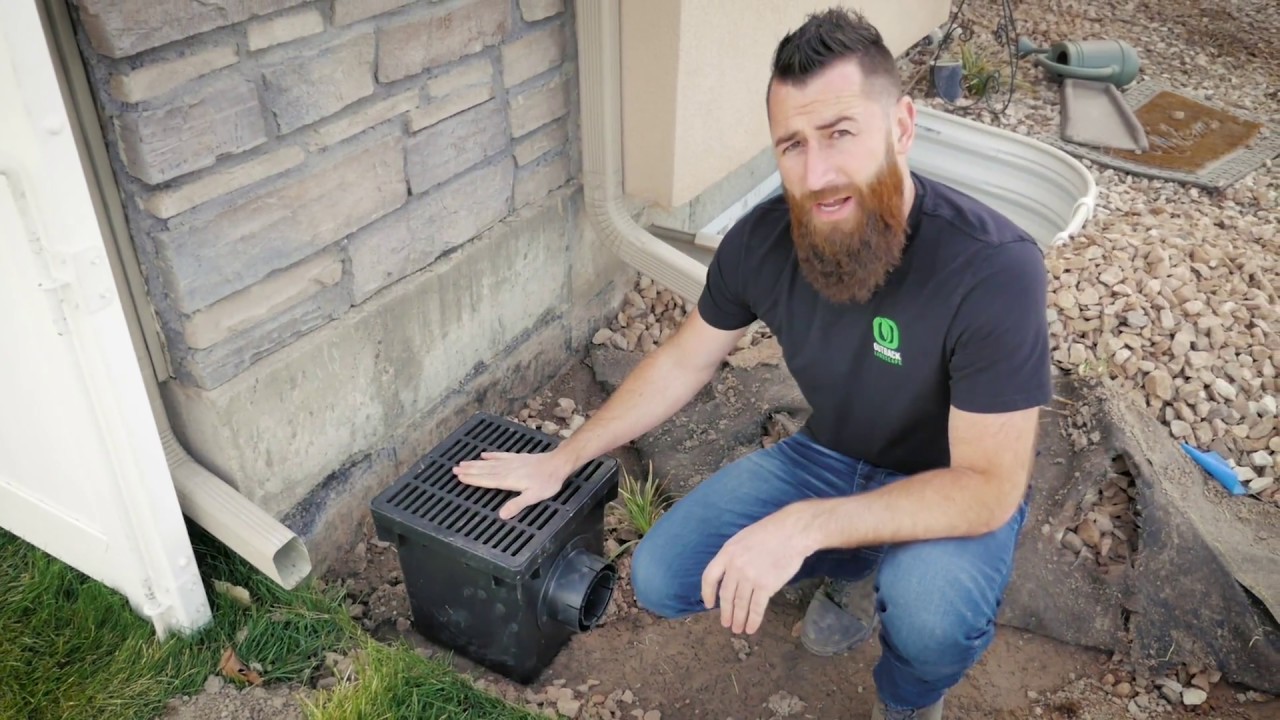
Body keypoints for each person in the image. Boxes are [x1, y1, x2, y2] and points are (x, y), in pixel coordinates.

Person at [454, 7, 1052, 719]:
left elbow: (987, 487)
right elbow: (683, 362)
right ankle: (859, 564)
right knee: (662, 576)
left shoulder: (992, 267)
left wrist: (804, 527)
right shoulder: (763, 240)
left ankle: (907, 702)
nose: (817, 173)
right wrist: (565, 457)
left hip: (946, 481)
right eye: (792, 145)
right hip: (829, 457)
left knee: (930, 618)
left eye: (841, 133)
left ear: (901, 126)